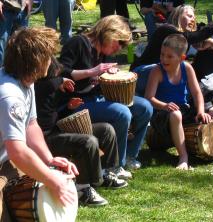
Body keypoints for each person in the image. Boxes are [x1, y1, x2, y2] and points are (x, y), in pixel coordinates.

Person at [0, 27, 78, 221]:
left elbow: (31, 125)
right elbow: (17, 151)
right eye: (49, 55)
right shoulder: (9, 95)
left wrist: (49, 160)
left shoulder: (26, 81)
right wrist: (52, 180)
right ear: (36, 62)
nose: (52, 60)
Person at [59, 15, 153, 170]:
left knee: (145, 107)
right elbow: (60, 73)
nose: (120, 48)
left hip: (98, 98)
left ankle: (130, 155)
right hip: (75, 104)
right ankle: (115, 165)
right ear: (110, 33)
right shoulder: (77, 43)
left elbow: (97, 78)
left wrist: (108, 75)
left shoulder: (103, 51)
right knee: (122, 113)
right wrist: (91, 72)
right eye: (120, 42)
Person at [35, 58, 130, 207]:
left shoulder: (52, 88)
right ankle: (82, 188)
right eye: (55, 74)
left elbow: (53, 115)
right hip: (45, 139)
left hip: (56, 130)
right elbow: (46, 85)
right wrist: (61, 79)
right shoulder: (39, 86)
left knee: (106, 129)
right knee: (88, 141)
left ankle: (105, 173)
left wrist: (69, 108)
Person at [145, 34, 213, 170]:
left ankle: (211, 145)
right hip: (162, 115)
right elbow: (149, 98)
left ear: (182, 58)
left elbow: (197, 92)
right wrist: (164, 105)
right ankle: (183, 157)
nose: (164, 59)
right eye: (162, 54)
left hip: (183, 109)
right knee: (176, 115)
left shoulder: (186, 68)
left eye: (169, 56)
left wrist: (200, 112)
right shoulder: (157, 71)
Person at [130, 4, 213, 97]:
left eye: (193, 17)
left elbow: (195, 41)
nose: (193, 19)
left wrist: (210, 42)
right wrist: (212, 30)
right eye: (189, 16)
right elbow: (185, 37)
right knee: (179, 68)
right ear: (178, 15)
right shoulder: (166, 29)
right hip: (143, 72)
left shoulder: (184, 37)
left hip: (161, 73)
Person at [0, 0, 33, 66]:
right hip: (4, 8)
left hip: (23, 9)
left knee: (22, 44)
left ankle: (17, 73)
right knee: (2, 44)